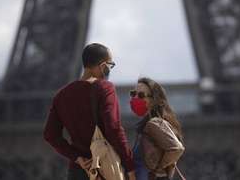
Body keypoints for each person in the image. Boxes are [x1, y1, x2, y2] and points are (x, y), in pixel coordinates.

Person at [43, 43, 136, 180]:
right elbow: (113, 128)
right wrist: (130, 167)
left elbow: (50, 134)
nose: (110, 70)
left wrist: (76, 157)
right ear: (102, 65)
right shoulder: (105, 88)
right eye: (110, 65)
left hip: (78, 171)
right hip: (105, 169)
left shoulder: (61, 95)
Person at [129, 77, 183, 180]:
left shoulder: (154, 123)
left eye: (141, 95)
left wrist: (158, 168)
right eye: (133, 93)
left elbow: (177, 149)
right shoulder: (149, 124)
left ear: (154, 100)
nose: (135, 98)